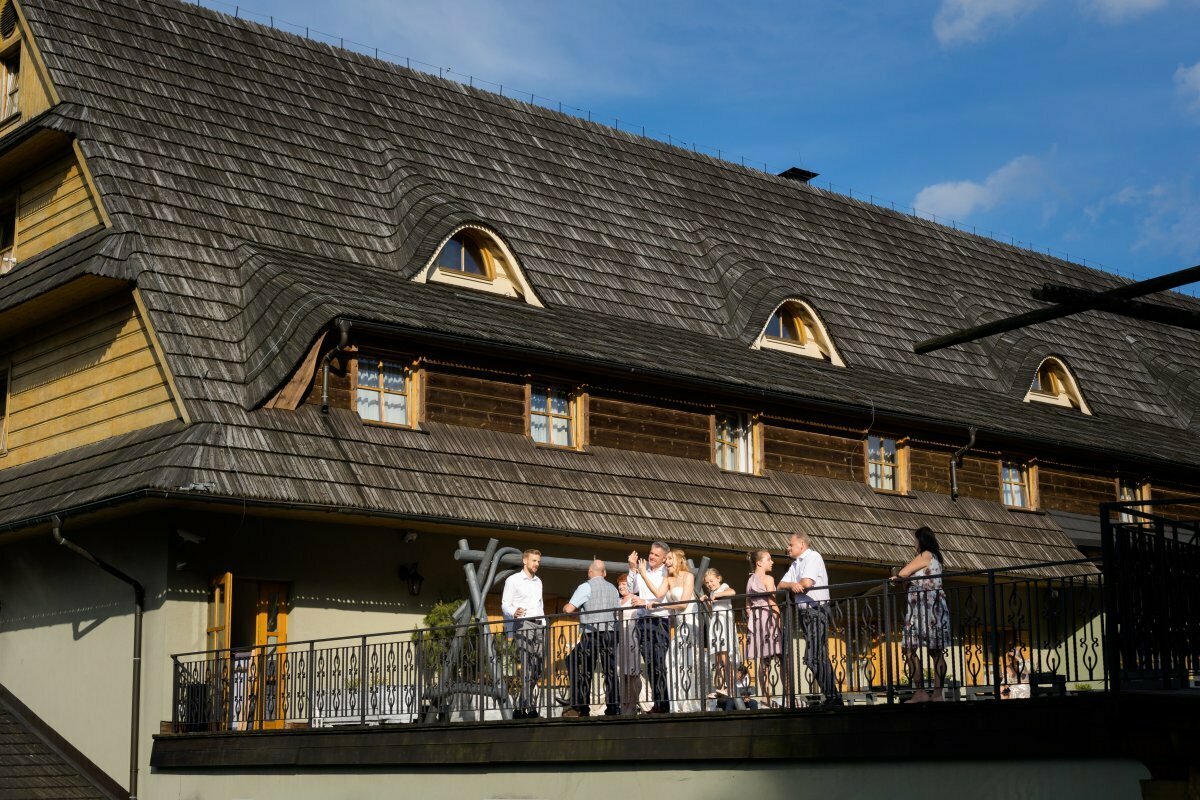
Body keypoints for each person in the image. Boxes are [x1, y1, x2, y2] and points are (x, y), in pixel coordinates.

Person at [779, 531, 843, 707]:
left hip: (816, 610)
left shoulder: (813, 557)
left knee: (813, 656)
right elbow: (781, 585)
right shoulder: (795, 564)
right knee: (816, 655)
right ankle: (833, 697)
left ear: (802, 544)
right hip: (804, 612)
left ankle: (833, 697)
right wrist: (793, 585)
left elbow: (807, 583)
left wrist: (797, 584)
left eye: (790, 545)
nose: (788, 548)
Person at [891, 526, 951, 704]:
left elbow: (903, 573)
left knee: (910, 649)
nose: (914, 544)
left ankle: (921, 691)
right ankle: (937, 694)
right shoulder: (936, 558)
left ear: (921, 540)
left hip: (923, 607)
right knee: (935, 651)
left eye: (915, 540)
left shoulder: (925, 554)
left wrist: (900, 577)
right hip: (932, 606)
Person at [561, 559, 621, 717]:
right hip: (611, 632)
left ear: (590, 572)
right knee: (610, 671)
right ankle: (614, 708)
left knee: (582, 667)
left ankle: (582, 706)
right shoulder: (613, 588)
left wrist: (571, 609)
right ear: (605, 573)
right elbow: (617, 611)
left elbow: (568, 609)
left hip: (591, 633)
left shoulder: (585, 586)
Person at [627, 541, 672, 713]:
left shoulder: (666, 573)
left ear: (664, 559)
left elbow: (661, 598)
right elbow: (632, 589)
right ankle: (658, 703)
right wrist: (632, 569)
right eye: (651, 553)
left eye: (656, 555)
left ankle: (664, 703)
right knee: (650, 664)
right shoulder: (642, 570)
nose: (652, 557)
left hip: (659, 621)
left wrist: (643, 602)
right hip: (643, 621)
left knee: (659, 663)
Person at [501, 549, 545, 718]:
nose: (536, 564)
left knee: (538, 666)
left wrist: (545, 622)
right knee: (527, 665)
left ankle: (521, 705)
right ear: (525, 561)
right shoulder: (513, 580)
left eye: (538, 561)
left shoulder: (538, 581)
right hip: (524, 623)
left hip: (539, 624)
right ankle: (529, 707)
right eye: (534, 560)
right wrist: (514, 611)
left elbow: (539, 604)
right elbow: (505, 604)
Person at [660, 548, 700, 713]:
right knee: (673, 662)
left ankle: (691, 702)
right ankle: (677, 704)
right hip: (678, 625)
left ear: (677, 560)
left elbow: (683, 604)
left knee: (687, 662)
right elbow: (658, 594)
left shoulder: (688, 576)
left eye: (669, 558)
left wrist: (662, 606)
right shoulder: (669, 578)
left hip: (689, 622)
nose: (666, 561)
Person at [744, 548, 782, 706]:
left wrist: (752, 619)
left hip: (756, 619)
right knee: (781, 657)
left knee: (763, 660)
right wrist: (778, 621)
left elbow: (747, 605)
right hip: (768, 618)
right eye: (769, 559)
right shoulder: (768, 579)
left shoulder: (750, 580)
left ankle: (766, 696)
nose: (772, 562)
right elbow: (772, 602)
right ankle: (788, 694)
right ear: (759, 562)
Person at [702, 568, 738, 694]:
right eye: (707, 583)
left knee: (724, 657)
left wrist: (718, 594)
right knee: (717, 658)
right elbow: (712, 611)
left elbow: (732, 592)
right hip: (716, 625)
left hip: (724, 623)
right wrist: (707, 601)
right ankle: (721, 687)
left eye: (711, 581)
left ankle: (732, 687)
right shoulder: (712, 593)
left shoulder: (723, 587)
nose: (710, 584)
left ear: (718, 578)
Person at [615, 573, 643, 714]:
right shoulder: (618, 600)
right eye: (619, 584)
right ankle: (624, 705)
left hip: (632, 639)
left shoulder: (634, 599)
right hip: (621, 640)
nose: (621, 586)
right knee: (623, 675)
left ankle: (633, 705)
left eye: (624, 584)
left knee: (633, 675)